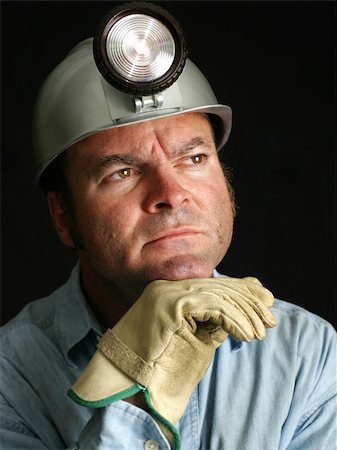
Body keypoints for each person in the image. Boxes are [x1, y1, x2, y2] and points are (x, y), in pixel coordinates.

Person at [1, 3, 336, 450]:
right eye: (121, 172)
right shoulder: (10, 373)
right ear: (63, 215)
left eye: (194, 158)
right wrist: (135, 374)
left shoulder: (307, 354)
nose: (171, 193)